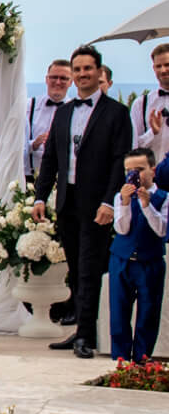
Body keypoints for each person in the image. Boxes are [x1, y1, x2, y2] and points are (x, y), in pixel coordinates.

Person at [33, 43, 133, 359]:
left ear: (99, 72)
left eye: (87, 69)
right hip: (68, 201)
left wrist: (109, 202)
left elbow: (121, 161)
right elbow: (50, 159)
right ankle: (79, 329)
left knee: (91, 267)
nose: (82, 74)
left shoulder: (117, 113)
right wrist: (39, 196)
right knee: (75, 269)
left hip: (97, 203)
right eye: (77, 69)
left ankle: (87, 336)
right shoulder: (64, 112)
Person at [109, 149, 167, 364]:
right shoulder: (120, 197)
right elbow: (121, 229)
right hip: (122, 259)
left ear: (152, 170)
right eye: (129, 170)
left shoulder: (163, 197)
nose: (134, 175)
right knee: (119, 311)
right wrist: (125, 203)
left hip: (149, 261)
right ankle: (121, 358)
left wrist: (146, 205)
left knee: (148, 311)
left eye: (139, 170)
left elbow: (161, 230)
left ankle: (142, 357)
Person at [24, 59, 74, 180]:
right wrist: (34, 144)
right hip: (31, 178)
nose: (58, 82)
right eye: (54, 77)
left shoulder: (76, 109)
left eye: (63, 78)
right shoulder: (29, 105)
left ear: (71, 82)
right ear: (47, 79)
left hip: (63, 180)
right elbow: (17, 144)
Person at [130, 43, 169, 170]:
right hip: (151, 181)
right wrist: (153, 132)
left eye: (167, 65)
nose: (163, 70)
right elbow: (134, 148)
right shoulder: (141, 104)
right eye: (159, 66)